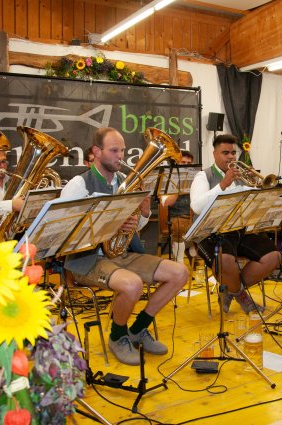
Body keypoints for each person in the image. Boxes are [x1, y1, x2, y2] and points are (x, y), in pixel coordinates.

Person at [60, 127, 189, 366]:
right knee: (132, 285)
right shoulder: (79, 185)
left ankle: (139, 328)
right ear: (96, 152)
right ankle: (118, 336)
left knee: (180, 273)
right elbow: (68, 233)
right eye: (114, 150)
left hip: (122, 254)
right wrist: (111, 224)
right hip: (88, 259)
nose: (121, 156)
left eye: (123, 150)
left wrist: (142, 212)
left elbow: (135, 228)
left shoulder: (124, 181)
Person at [190, 134, 280, 314]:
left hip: (238, 231)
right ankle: (242, 297)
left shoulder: (241, 176)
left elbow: (253, 202)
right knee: (224, 259)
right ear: (214, 153)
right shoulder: (203, 176)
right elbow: (197, 206)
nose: (231, 157)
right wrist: (223, 184)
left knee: (274, 256)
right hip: (209, 234)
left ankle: (230, 290)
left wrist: (260, 190)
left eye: (233, 153)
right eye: (225, 153)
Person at [162, 150, 194, 264]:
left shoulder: (197, 178)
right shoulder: (168, 179)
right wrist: (179, 189)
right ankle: (179, 263)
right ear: (176, 163)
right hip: (177, 216)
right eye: (183, 163)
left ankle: (191, 250)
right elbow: (166, 203)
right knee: (179, 227)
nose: (186, 166)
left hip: (194, 216)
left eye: (188, 164)